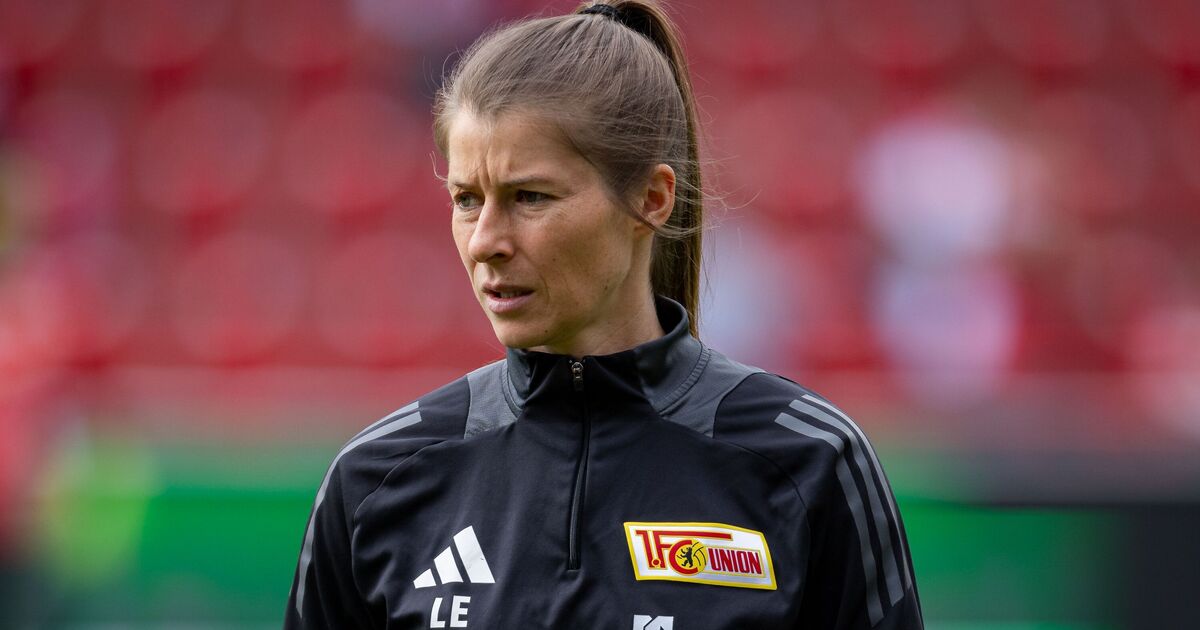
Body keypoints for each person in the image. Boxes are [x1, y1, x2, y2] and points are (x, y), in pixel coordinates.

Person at [283, 1, 923, 628]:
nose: (485, 241)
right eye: (466, 199)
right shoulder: (377, 480)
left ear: (652, 199)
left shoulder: (810, 461)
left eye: (530, 196)